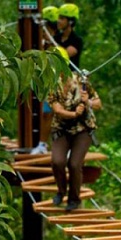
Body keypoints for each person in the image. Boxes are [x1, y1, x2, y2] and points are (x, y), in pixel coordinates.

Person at [48, 52, 102, 211]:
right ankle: (61, 191)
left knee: (74, 164)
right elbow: (57, 110)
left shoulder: (81, 82)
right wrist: (74, 113)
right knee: (57, 161)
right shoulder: (53, 85)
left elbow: (99, 103)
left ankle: (74, 199)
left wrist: (88, 102)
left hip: (82, 129)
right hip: (62, 129)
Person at [31, 5, 60, 155]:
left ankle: (50, 144)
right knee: (43, 113)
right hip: (44, 82)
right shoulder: (40, 43)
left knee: (53, 114)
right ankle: (41, 143)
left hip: (57, 82)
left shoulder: (57, 43)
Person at [54, 3, 83, 69]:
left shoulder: (76, 40)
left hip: (71, 77)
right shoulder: (56, 37)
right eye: (58, 18)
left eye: (62, 18)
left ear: (70, 22)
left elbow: (64, 56)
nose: (58, 21)